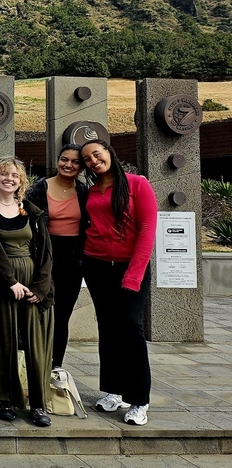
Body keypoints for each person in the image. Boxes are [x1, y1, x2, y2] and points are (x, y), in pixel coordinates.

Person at [80, 139, 157, 426]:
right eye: (87, 159)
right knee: (108, 328)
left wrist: (134, 274)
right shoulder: (91, 190)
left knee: (130, 327)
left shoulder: (137, 184)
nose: (93, 161)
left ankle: (139, 399)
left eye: (96, 155)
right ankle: (115, 391)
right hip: (97, 266)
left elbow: (148, 229)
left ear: (109, 153)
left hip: (130, 267)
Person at [0, 157, 55, 427]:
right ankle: (5, 399)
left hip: (31, 281)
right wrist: (9, 281)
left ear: (21, 182)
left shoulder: (31, 211)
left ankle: (39, 404)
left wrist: (40, 288)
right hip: (1, 283)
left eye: (15, 176)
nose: (9, 178)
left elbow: (44, 252)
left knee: (35, 344)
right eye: (4, 174)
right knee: (1, 340)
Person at [26, 144, 89, 369]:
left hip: (73, 261)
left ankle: (55, 368)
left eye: (75, 161)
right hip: (42, 257)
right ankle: (32, 366)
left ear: (81, 166)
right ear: (57, 160)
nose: (68, 165)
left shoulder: (84, 191)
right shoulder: (38, 189)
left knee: (62, 316)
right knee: (36, 312)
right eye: (64, 159)